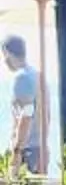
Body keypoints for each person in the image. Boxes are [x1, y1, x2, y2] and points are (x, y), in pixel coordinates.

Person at [4, 35, 44, 174]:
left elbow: (26, 113)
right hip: (39, 148)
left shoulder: (22, 77)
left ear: (7, 53)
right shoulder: (37, 75)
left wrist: (17, 150)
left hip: (26, 150)